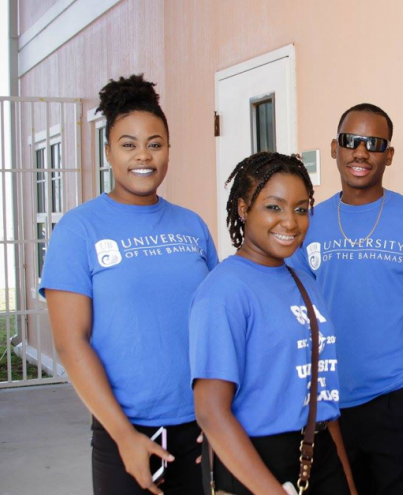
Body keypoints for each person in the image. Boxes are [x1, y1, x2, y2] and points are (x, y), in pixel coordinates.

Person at [40, 74, 218, 494]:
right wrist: (123, 435)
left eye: (155, 144)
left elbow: (216, 325)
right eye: (128, 144)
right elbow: (70, 342)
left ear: (169, 149)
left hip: (199, 429)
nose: (143, 156)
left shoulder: (191, 225)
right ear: (108, 152)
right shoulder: (79, 229)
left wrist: (220, 419)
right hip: (125, 432)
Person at [288, 103, 403, 494]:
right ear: (335, 148)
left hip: (397, 401)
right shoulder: (307, 223)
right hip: (327, 403)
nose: (361, 152)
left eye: (374, 144)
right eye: (351, 141)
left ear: (389, 154)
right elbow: (296, 310)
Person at [190, 152, 355, 495]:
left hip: (316, 451)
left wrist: (347, 484)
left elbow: (321, 395)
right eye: (273, 207)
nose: (290, 222)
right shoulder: (223, 291)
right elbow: (210, 411)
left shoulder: (303, 281)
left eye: (301, 209)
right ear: (243, 209)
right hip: (255, 461)